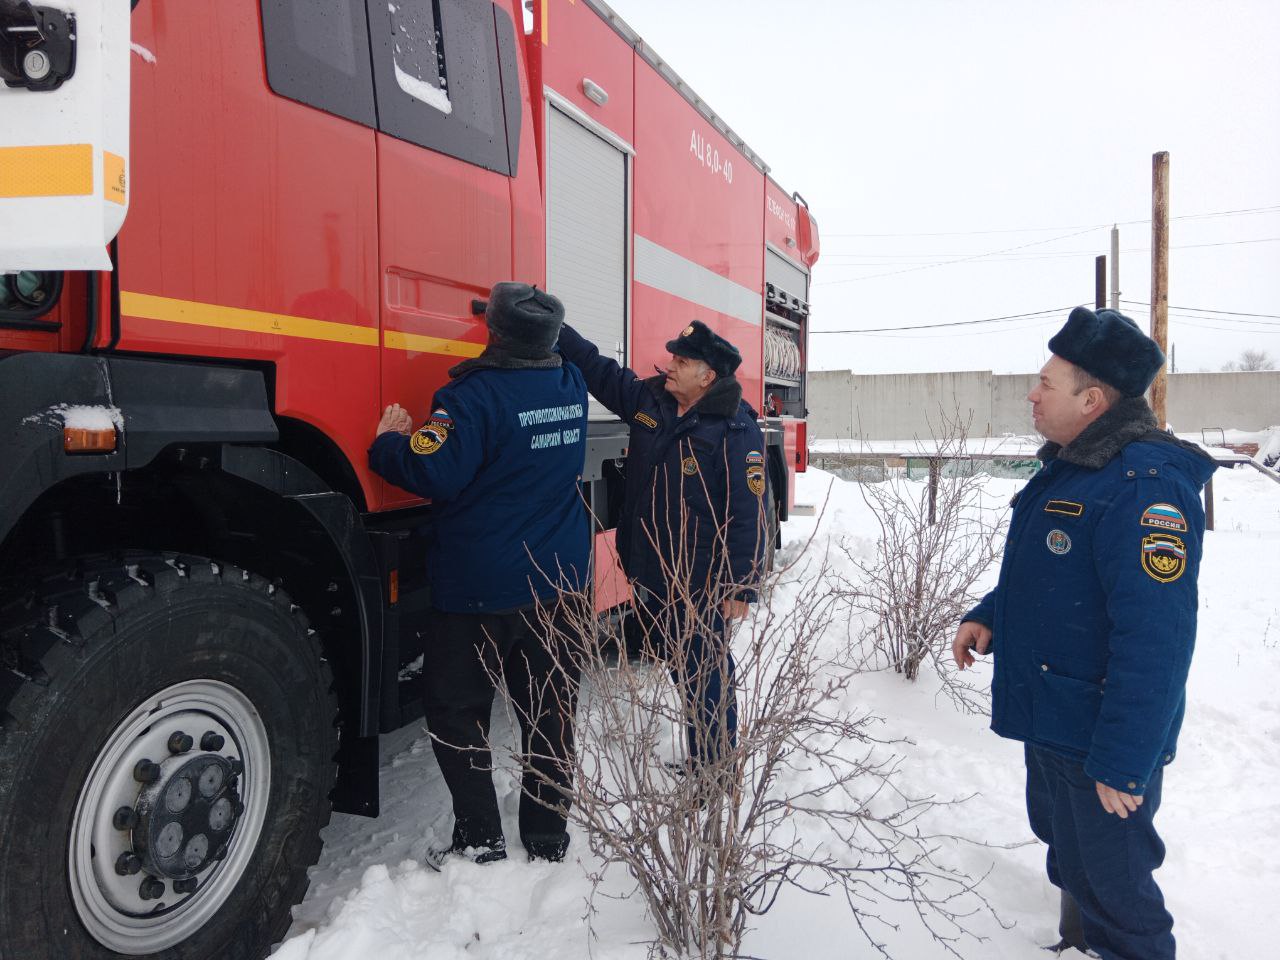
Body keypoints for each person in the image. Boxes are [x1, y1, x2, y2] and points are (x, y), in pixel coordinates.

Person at [952, 307, 1216, 959]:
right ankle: (1081, 946)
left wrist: (1125, 761)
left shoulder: (1143, 487)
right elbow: (1049, 572)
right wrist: (990, 612)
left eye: (1046, 383)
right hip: (1054, 716)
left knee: (1118, 893)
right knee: (1071, 859)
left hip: (1098, 738)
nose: (1031, 394)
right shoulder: (1074, 467)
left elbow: (1157, 638)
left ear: (1092, 400)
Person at [368, 282, 589, 864]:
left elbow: (434, 471)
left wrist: (391, 442)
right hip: (559, 581)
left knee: (456, 710)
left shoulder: (471, 397)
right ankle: (546, 838)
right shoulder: (570, 385)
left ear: (493, 331)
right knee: (550, 710)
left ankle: (481, 837)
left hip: (480, 589)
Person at [556, 318, 767, 768]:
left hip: (698, 578)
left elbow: (746, 514)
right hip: (651, 569)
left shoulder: (734, 428)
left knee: (705, 671)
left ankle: (714, 768)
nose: (670, 365)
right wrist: (558, 329)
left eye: (683, 361)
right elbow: (601, 371)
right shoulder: (651, 399)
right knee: (683, 667)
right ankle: (707, 758)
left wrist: (739, 585)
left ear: (708, 377)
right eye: (674, 356)